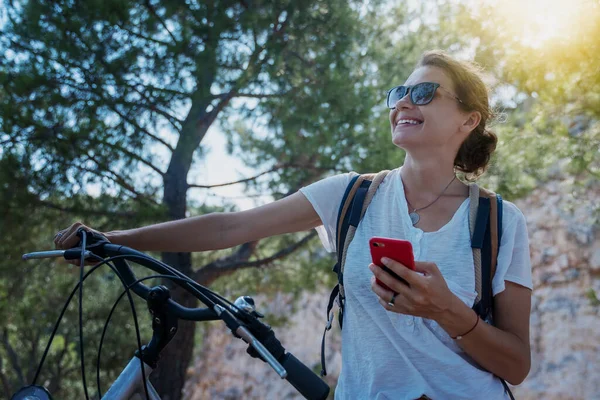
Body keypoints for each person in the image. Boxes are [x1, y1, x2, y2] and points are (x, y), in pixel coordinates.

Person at [55, 50, 532, 399]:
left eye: (424, 93)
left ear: (468, 120)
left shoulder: (499, 221)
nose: (404, 102)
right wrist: (113, 241)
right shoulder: (352, 196)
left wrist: (450, 312)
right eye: (399, 93)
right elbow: (228, 229)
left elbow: (516, 365)